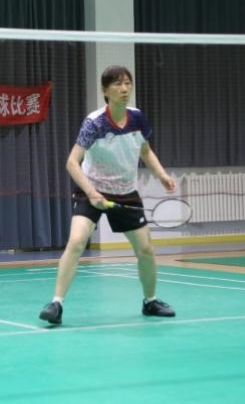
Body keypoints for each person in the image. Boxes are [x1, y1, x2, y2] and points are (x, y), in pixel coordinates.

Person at [39, 65, 176, 325]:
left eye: (127, 83)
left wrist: (162, 175)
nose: (124, 89)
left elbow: (145, 150)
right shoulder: (95, 123)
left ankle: (150, 301)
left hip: (125, 193)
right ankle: (56, 303)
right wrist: (92, 193)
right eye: (117, 84)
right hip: (92, 189)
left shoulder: (137, 118)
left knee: (146, 249)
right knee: (76, 242)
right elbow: (72, 163)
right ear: (105, 90)